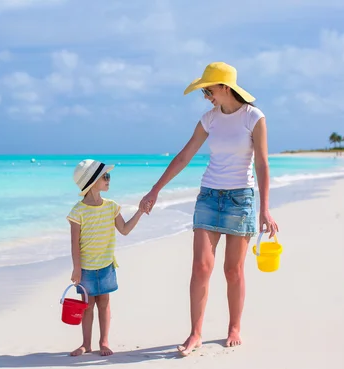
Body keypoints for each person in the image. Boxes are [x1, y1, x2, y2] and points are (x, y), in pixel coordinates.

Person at [141, 62, 279, 356]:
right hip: (208, 196)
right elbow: (184, 156)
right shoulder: (209, 119)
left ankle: (234, 327)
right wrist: (155, 189)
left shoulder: (254, 118)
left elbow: (262, 164)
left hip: (240, 198)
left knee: (233, 270)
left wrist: (265, 208)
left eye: (209, 89)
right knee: (201, 266)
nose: (206, 95)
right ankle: (195, 334)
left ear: (225, 88)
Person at [67, 159, 146, 357]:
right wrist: (76, 268)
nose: (109, 180)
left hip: (106, 266)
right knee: (87, 306)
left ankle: (104, 341)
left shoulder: (112, 207)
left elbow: (125, 230)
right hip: (85, 268)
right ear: (92, 182)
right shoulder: (78, 211)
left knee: (104, 304)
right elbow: (74, 243)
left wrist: (140, 211)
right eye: (105, 177)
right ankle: (86, 344)